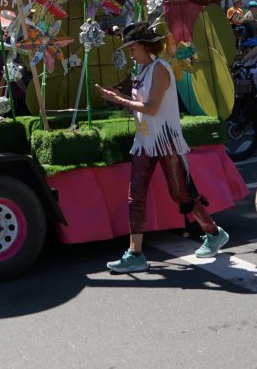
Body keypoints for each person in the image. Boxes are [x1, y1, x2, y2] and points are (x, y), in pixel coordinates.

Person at [96, 22, 229, 273]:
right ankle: (135, 253)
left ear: (145, 46)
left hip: (165, 139)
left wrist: (119, 100)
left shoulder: (159, 68)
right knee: (135, 196)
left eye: (132, 47)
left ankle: (213, 233)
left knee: (180, 194)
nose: (130, 53)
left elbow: (152, 108)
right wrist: (120, 97)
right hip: (145, 141)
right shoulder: (143, 68)